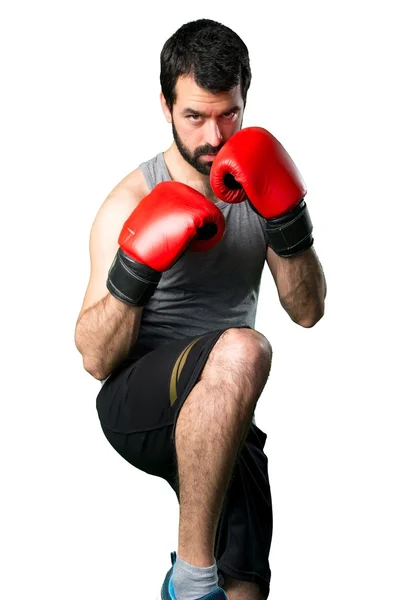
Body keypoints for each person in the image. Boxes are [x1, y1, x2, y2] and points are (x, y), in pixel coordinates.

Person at [74, 18, 327, 600]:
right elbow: (93, 357)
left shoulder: (256, 184)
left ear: (244, 99)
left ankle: (204, 579)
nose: (214, 135)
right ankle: (189, 579)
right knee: (244, 345)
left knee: (245, 587)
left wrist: (289, 221)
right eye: (195, 116)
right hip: (139, 401)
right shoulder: (131, 200)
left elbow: (307, 310)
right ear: (165, 106)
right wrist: (138, 266)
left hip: (225, 404)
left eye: (228, 114)